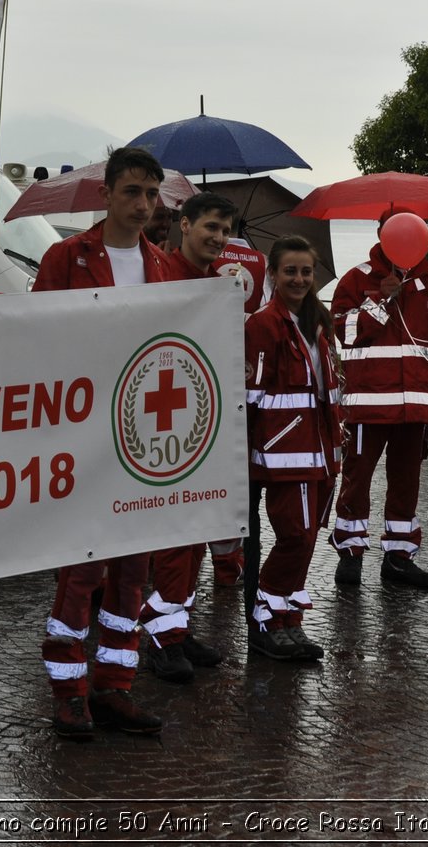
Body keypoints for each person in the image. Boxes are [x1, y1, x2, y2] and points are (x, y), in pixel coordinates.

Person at [34, 146, 172, 740]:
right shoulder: (67, 257)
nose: (143, 205)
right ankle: (68, 690)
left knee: (132, 570)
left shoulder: (162, 265)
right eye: (132, 192)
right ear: (107, 194)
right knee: (82, 569)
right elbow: (35, 340)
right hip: (84, 432)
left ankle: (115, 685)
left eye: (150, 194)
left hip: (140, 435)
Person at [329, 208, 428, 591]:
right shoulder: (356, 279)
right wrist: (379, 301)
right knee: (356, 480)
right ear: (382, 234)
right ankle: (350, 554)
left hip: (415, 407)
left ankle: (399, 559)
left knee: (407, 484)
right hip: (368, 404)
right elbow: (345, 333)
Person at [139, 192, 236, 682]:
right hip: (161, 425)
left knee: (196, 531)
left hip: (201, 422)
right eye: (210, 228)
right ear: (184, 224)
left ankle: (178, 623)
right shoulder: (158, 275)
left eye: (224, 231)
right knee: (174, 535)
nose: (217, 238)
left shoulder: (218, 287)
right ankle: (161, 637)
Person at [247, 236, 343, 659]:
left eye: (306, 271)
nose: (300, 279)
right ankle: (266, 619)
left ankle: (289, 619)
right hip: (284, 454)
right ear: (273, 275)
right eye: (290, 271)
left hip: (321, 450)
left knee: (307, 539)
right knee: (295, 537)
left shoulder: (318, 322)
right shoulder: (262, 324)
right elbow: (251, 394)